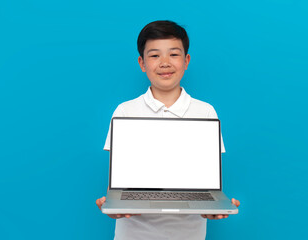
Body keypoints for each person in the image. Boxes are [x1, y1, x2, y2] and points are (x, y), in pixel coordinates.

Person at [96, 20, 240, 240]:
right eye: (154, 56)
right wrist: (114, 205)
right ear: (142, 63)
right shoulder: (125, 110)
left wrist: (212, 206)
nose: (164, 63)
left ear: (186, 61)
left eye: (173, 54)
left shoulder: (205, 111)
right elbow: (116, 183)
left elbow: (209, 179)